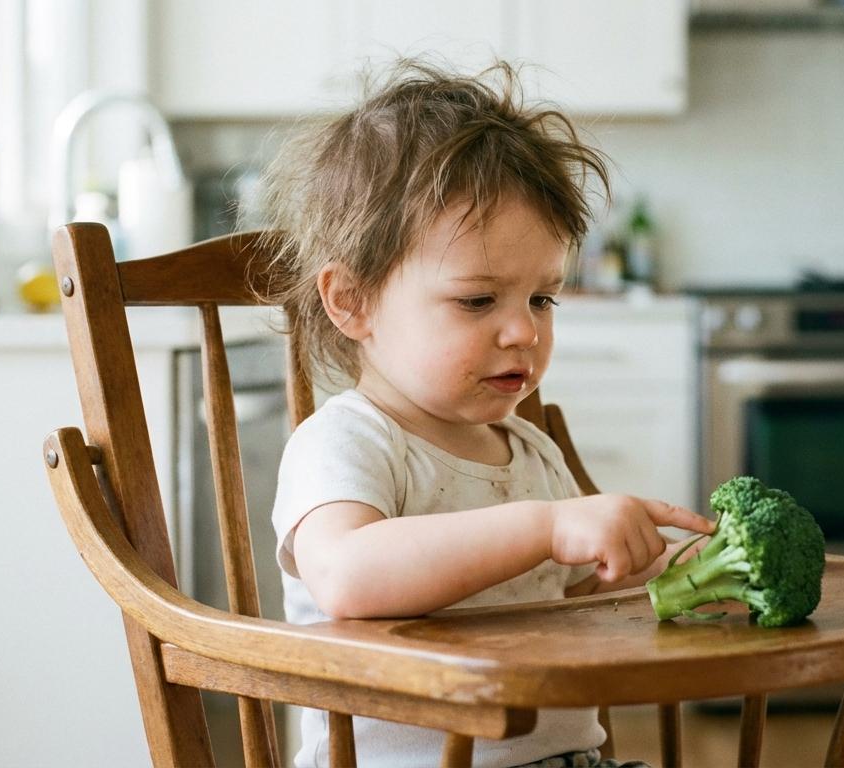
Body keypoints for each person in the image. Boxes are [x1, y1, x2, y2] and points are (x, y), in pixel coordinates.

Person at [256, 59, 715, 768]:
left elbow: (575, 586)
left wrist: (686, 566)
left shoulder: (527, 451)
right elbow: (348, 575)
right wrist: (549, 524)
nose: (524, 332)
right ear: (351, 302)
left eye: (542, 298)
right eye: (478, 301)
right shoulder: (346, 442)